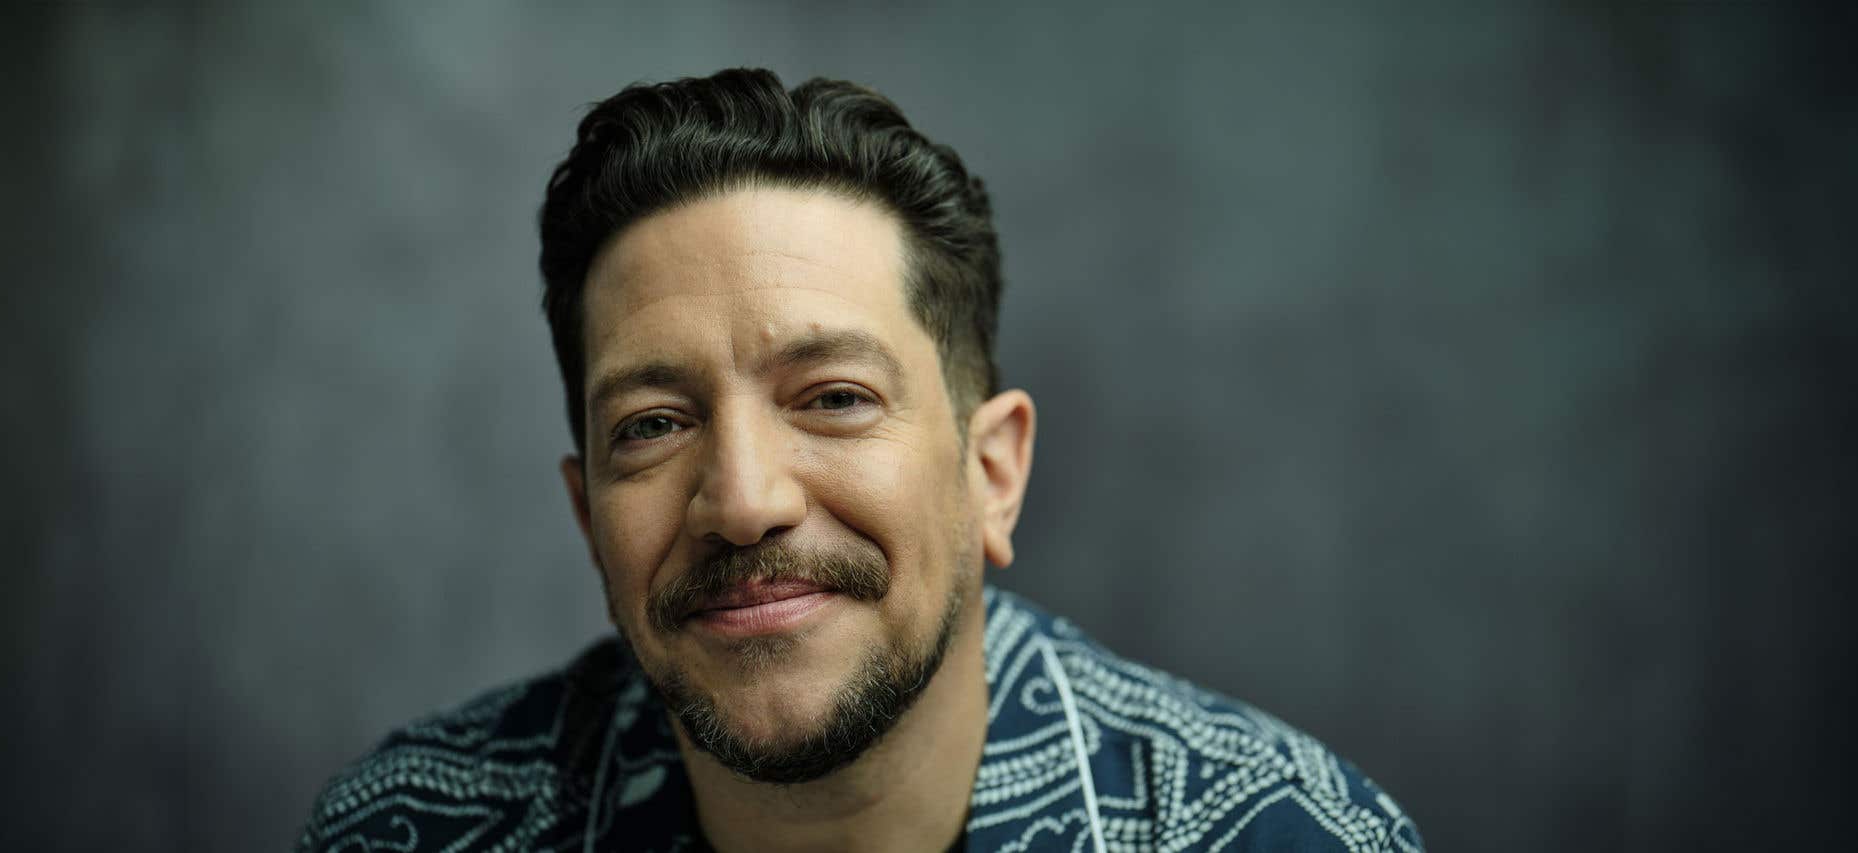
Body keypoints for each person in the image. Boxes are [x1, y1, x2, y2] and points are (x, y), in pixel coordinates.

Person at [297, 68, 1421, 853]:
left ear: (991, 472)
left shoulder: (1278, 834)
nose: (743, 501)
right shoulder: (412, 829)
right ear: (589, 517)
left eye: (833, 399)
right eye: (651, 423)